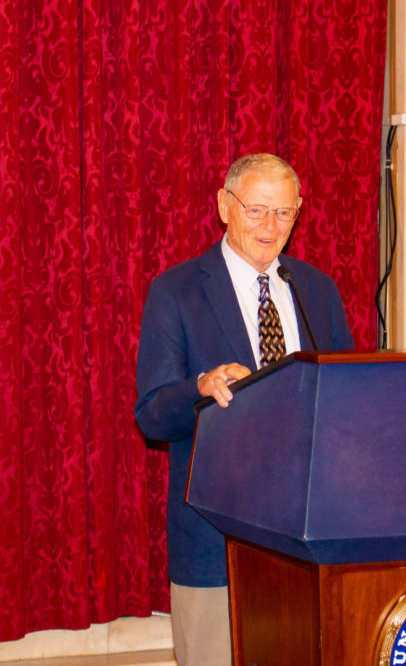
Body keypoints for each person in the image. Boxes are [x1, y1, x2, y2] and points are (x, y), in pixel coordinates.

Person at [134, 153, 354, 664]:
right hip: (215, 538)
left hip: (306, 539)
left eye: (283, 213)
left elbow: (344, 403)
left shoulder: (316, 290)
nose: (270, 226)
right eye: (256, 210)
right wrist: (202, 386)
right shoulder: (177, 291)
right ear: (223, 207)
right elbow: (151, 413)